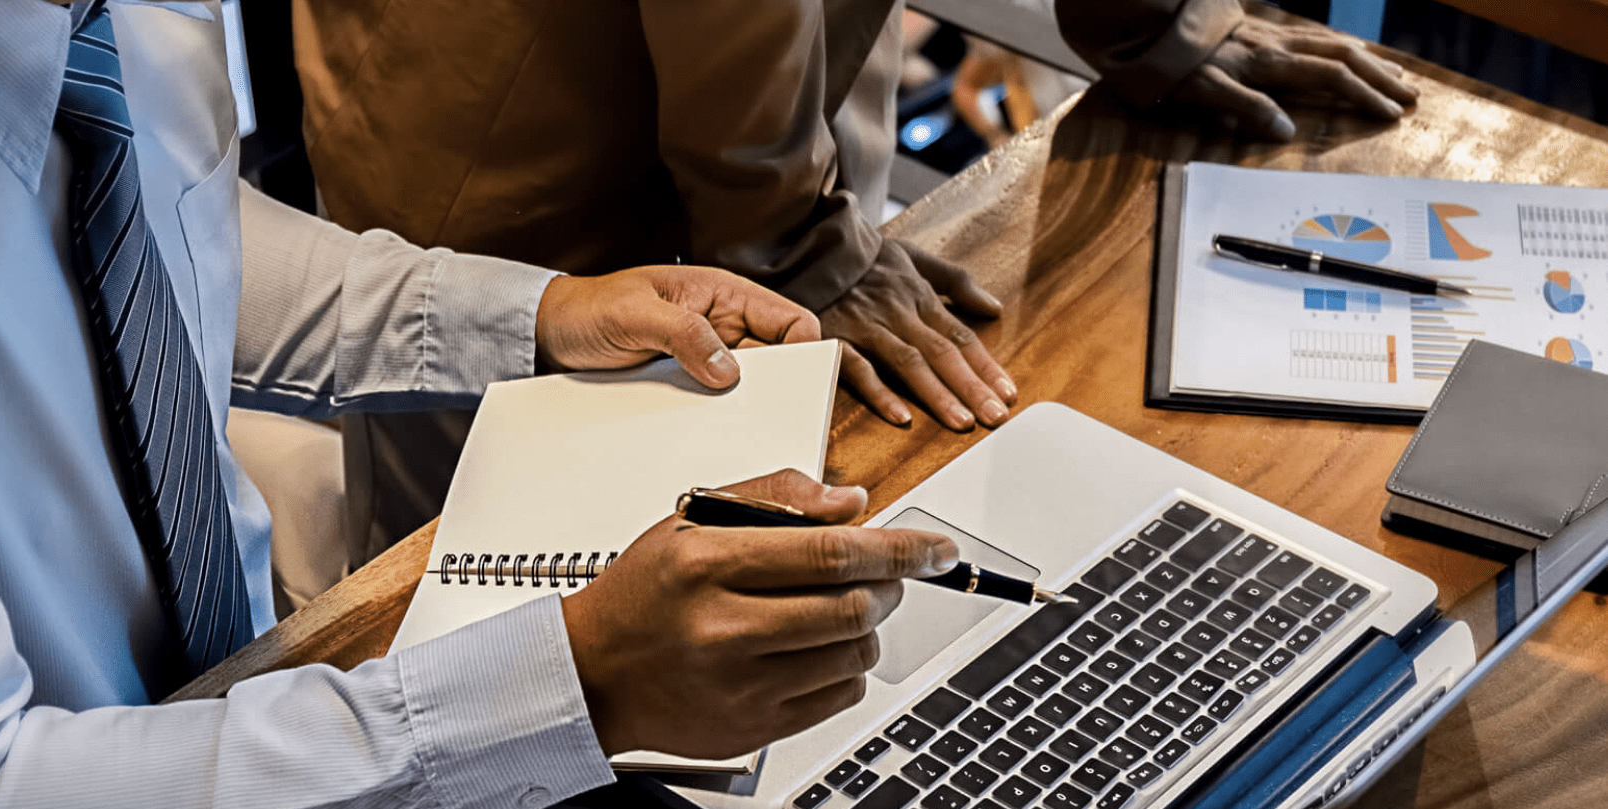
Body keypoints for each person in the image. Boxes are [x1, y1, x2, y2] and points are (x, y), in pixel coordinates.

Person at [0, 0, 960, 809]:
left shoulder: (89, 22)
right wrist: (577, 677)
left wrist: (523, 311)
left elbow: (159, 214)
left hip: (257, 735)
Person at [295, 0, 1420, 557]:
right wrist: (792, 236)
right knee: (486, 556)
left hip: (783, 94)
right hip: (512, 111)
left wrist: (1142, 14)